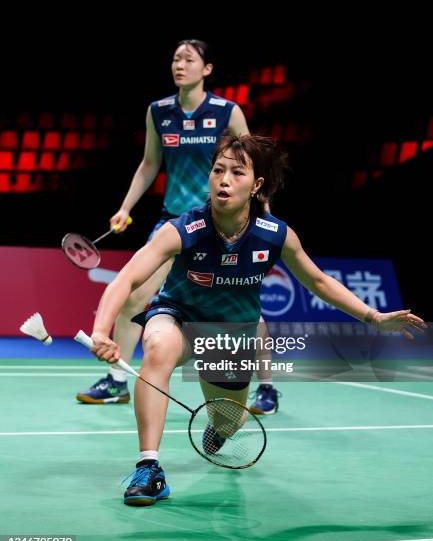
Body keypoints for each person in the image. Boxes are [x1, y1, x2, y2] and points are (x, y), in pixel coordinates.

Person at [89, 134, 426, 506]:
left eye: (236, 172)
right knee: (157, 347)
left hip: (231, 335)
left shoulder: (274, 235)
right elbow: (127, 279)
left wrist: (372, 317)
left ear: (256, 185)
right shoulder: (184, 230)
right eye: (218, 170)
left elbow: (317, 281)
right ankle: (149, 467)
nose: (224, 180)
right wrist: (101, 331)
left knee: (230, 424)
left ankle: (219, 427)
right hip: (179, 318)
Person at [76, 39, 280, 413]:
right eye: (175, 59)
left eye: (189, 59)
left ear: (207, 69)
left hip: (221, 222)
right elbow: (149, 163)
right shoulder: (159, 112)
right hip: (174, 222)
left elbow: (253, 165)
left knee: (243, 304)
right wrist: (125, 208)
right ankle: (117, 380)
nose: (179, 64)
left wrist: (261, 216)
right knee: (134, 294)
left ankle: (266, 386)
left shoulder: (226, 112)